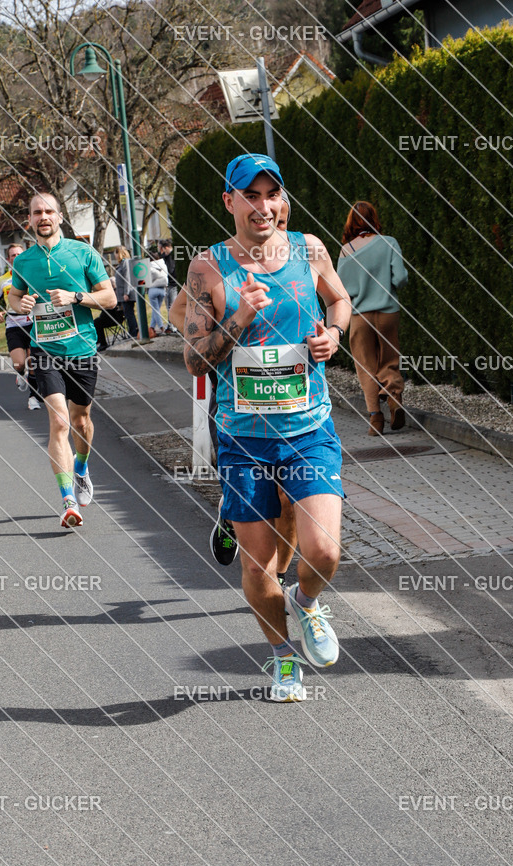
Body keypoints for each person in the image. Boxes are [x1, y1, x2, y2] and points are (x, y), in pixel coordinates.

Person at [182, 153, 350, 702]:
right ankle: (282, 660)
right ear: (229, 202)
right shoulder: (208, 268)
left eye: (270, 194)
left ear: (284, 200)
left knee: (323, 552)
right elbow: (194, 360)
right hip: (244, 437)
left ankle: (307, 605)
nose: (262, 206)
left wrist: (336, 335)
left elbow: (340, 299)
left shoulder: (309, 249)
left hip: (308, 427)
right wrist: (239, 318)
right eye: (249, 195)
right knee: (259, 567)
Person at [169, 189, 299, 584]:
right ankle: (235, 509)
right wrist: (220, 341)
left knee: (288, 498)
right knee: (267, 494)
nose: (270, 219)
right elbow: (178, 313)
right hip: (237, 403)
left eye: (278, 214)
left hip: (291, 404)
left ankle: (275, 578)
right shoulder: (220, 265)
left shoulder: (295, 260)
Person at [7, 192, 116, 529]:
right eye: (37, 212)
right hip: (45, 351)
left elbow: (109, 298)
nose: (43, 217)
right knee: (59, 423)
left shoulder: (83, 253)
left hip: (82, 349)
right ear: (30, 219)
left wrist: (77, 296)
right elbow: (14, 296)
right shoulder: (23, 261)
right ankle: (68, 500)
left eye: (49, 211)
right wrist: (18, 305)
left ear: (59, 216)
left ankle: (81, 466)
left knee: (81, 421)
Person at [337, 201, 408, 435]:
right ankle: (394, 400)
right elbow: (400, 279)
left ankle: (375, 420)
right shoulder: (389, 243)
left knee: (365, 366)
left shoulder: (346, 250)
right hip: (388, 311)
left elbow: (340, 290)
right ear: (374, 219)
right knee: (389, 359)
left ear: (351, 222)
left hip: (359, 316)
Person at [0, 242, 42, 410]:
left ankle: (33, 398)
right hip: (13, 325)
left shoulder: (32, 275)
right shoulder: (3, 280)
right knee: (20, 364)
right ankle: (20, 374)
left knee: (34, 363)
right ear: (8, 259)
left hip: (32, 323)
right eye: (13, 255)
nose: (16, 257)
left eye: (19, 254)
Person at [115, 246, 139, 339]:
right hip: (122, 294)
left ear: (119, 253)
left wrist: (126, 293)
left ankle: (133, 332)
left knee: (129, 313)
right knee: (128, 313)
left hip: (126, 294)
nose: (115, 256)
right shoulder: (122, 264)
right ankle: (134, 331)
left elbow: (127, 278)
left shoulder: (125, 263)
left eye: (116, 254)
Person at [157, 239, 178, 333]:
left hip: (173, 284)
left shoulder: (172, 257)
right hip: (168, 284)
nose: (159, 251)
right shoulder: (164, 257)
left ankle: (173, 326)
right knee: (169, 306)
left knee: (172, 306)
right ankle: (171, 325)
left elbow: (170, 270)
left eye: (160, 248)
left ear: (165, 248)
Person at [147, 251, 168, 336]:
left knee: (155, 310)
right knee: (156, 310)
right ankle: (152, 327)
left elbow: (147, 279)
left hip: (153, 290)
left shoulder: (149, 267)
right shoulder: (163, 265)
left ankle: (161, 327)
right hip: (162, 289)